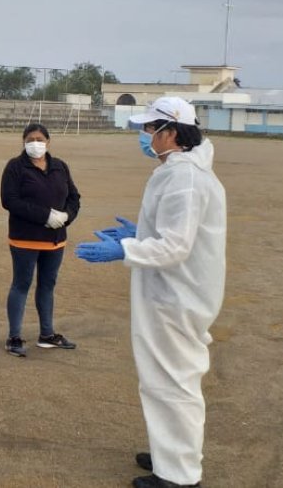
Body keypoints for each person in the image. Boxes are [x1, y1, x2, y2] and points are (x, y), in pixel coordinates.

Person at [76, 97, 226, 488]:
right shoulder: (176, 171)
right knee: (161, 380)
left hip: (178, 298)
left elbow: (176, 245)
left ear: (171, 133)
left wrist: (124, 248)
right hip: (167, 293)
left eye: (149, 129)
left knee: (175, 382)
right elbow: (170, 234)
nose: (145, 137)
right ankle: (169, 454)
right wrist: (138, 235)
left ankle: (179, 475)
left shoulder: (185, 179)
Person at [0, 123, 81, 357]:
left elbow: (74, 197)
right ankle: (14, 337)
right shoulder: (15, 167)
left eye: (39, 139)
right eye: (30, 139)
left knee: (48, 285)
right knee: (21, 285)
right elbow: (10, 200)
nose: (35, 143)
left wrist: (66, 217)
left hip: (55, 240)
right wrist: (45, 215)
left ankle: (47, 334)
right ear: (24, 142)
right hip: (25, 239)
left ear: (48, 141)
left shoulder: (60, 167)